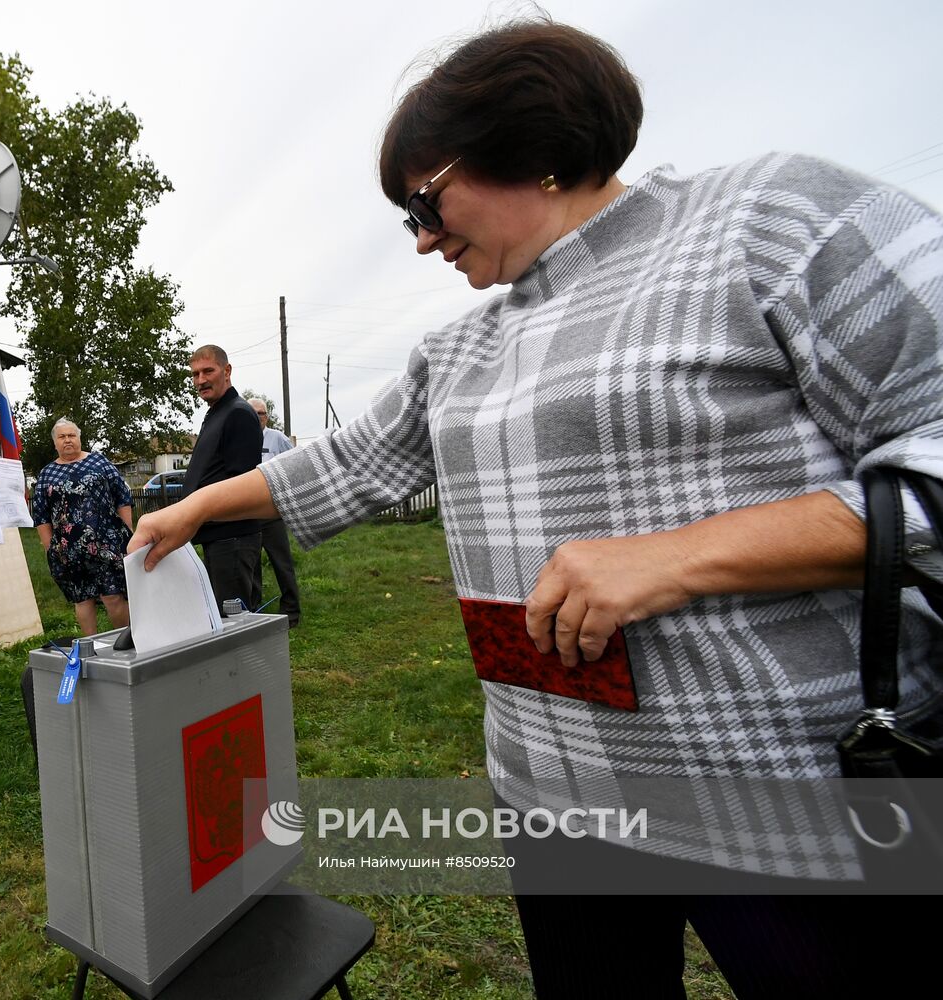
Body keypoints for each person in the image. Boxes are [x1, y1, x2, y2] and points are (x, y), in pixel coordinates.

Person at [130, 18, 943, 996]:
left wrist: (676, 555)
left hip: (785, 800)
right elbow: (343, 464)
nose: (422, 240)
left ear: (533, 146)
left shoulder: (770, 219)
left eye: (422, 203)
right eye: (406, 220)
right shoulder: (459, 348)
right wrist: (195, 506)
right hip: (550, 795)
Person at [32, 418, 133, 636]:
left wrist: (128, 535)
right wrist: (51, 549)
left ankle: (126, 645)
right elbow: (40, 516)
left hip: (107, 543)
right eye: (62, 437)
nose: (67, 440)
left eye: (71, 435)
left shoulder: (100, 462)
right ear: (55, 443)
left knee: (113, 594)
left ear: (79, 438)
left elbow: (122, 498)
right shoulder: (47, 474)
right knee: (82, 598)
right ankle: (92, 649)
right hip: (69, 551)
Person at [185, 345, 263, 612]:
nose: (200, 380)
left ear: (227, 371)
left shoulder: (238, 413)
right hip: (218, 538)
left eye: (208, 371)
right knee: (222, 620)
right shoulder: (217, 412)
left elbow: (242, 486)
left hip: (233, 539)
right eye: (195, 374)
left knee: (236, 625)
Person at [247, 396, 301, 627]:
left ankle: (291, 611)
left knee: (282, 562)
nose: (257, 417)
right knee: (251, 565)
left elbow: (295, 462)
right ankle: (254, 611)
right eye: (252, 413)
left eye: (260, 413)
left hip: (272, 512)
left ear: (266, 416)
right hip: (247, 513)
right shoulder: (241, 439)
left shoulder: (277, 438)